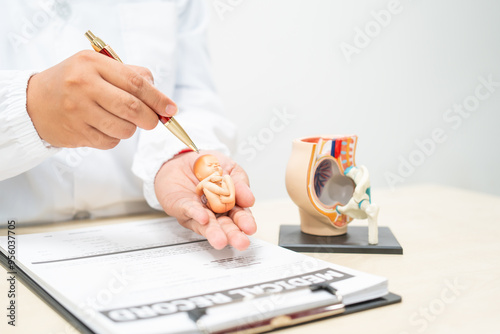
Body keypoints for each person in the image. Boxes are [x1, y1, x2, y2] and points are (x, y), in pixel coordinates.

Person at [0, 0, 256, 251]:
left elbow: (191, 95)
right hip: (15, 237)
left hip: (146, 234)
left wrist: (175, 157)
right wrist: (30, 105)